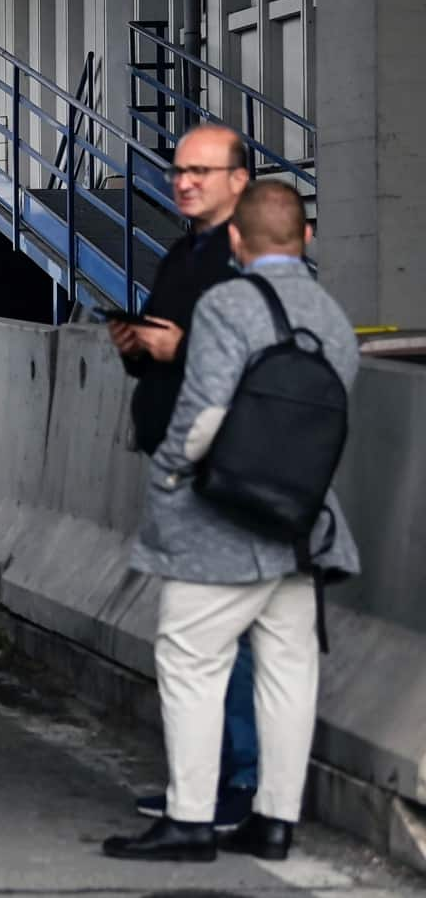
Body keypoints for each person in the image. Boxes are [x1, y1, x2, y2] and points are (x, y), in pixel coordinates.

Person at [104, 181, 359, 864]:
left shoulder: (227, 303)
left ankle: (189, 820)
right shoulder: (332, 316)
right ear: (305, 239)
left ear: (238, 244)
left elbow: (205, 414)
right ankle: (274, 820)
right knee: (288, 670)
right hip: (303, 522)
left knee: (190, 662)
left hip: (220, 523)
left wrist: (169, 480)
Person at [112, 124, 260, 831]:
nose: (185, 181)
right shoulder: (182, 252)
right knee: (198, 637)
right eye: (178, 169)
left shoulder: (251, 256)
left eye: (203, 170)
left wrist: (183, 346)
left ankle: (240, 782)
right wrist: (138, 347)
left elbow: (265, 352)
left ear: (240, 179)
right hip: (174, 453)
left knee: (222, 632)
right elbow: (166, 344)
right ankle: (202, 784)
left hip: (226, 459)